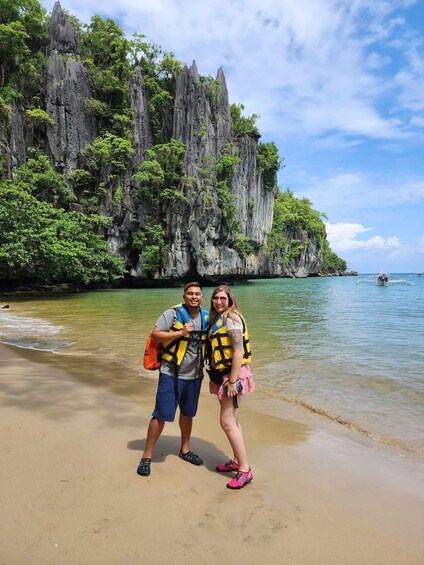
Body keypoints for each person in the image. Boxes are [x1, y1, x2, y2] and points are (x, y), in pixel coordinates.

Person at [137, 282, 209, 477]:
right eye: (190, 294)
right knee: (161, 414)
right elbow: (156, 334)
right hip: (171, 373)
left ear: (202, 297)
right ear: (184, 296)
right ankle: (147, 455)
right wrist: (180, 332)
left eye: (197, 294)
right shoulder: (173, 314)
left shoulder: (207, 316)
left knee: (188, 413)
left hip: (195, 376)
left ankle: (184, 449)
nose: (194, 297)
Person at [207, 284, 255, 490]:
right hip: (224, 375)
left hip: (232, 376)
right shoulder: (218, 319)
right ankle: (237, 460)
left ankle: (245, 470)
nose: (219, 302)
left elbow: (238, 351)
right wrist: (216, 378)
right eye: (216, 298)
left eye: (223, 298)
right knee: (233, 420)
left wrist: (232, 381)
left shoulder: (231, 318)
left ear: (230, 300)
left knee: (226, 422)